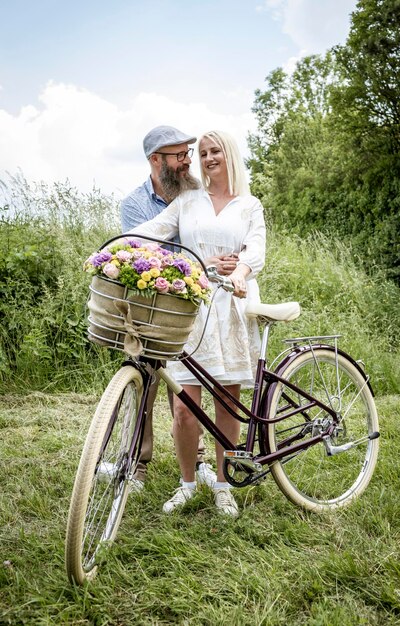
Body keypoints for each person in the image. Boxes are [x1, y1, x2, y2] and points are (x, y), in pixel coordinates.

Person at [124, 130, 266, 517]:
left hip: (232, 309)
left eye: (215, 150)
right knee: (186, 407)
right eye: (202, 153)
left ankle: (222, 486)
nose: (207, 158)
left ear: (230, 154)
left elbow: (256, 248)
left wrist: (242, 272)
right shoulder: (188, 201)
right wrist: (116, 247)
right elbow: (152, 232)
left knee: (227, 402)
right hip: (195, 310)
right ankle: (187, 483)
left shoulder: (249, 205)